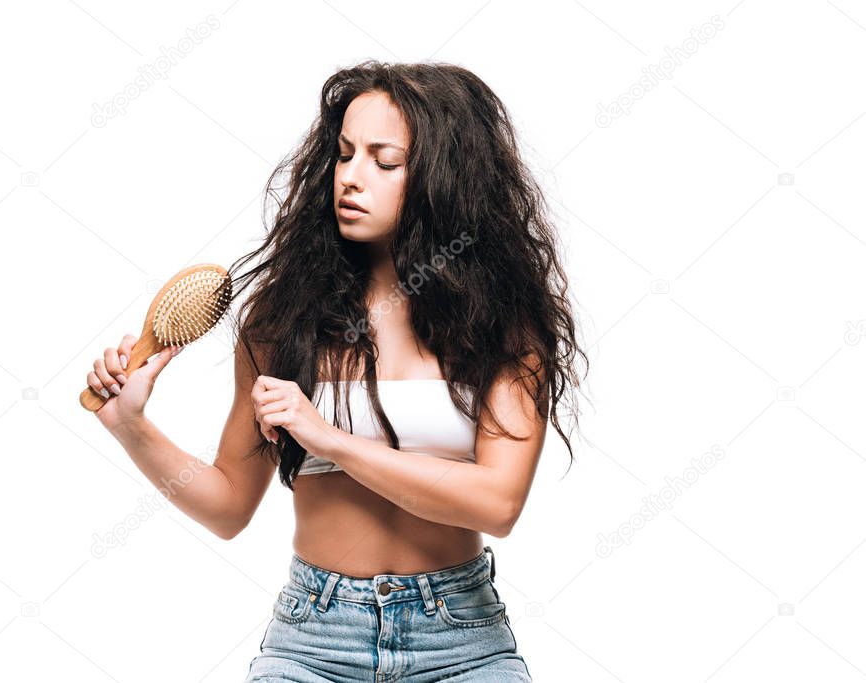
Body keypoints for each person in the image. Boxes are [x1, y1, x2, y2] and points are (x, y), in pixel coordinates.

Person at [85, 60, 587, 682]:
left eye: (384, 160)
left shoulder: (503, 326)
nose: (351, 178)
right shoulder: (283, 320)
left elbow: (498, 503)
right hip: (313, 640)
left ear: (447, 179)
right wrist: (130, 426)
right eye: (345, 154)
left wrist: (329, 440)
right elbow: (228, 507)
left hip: (460, 640)